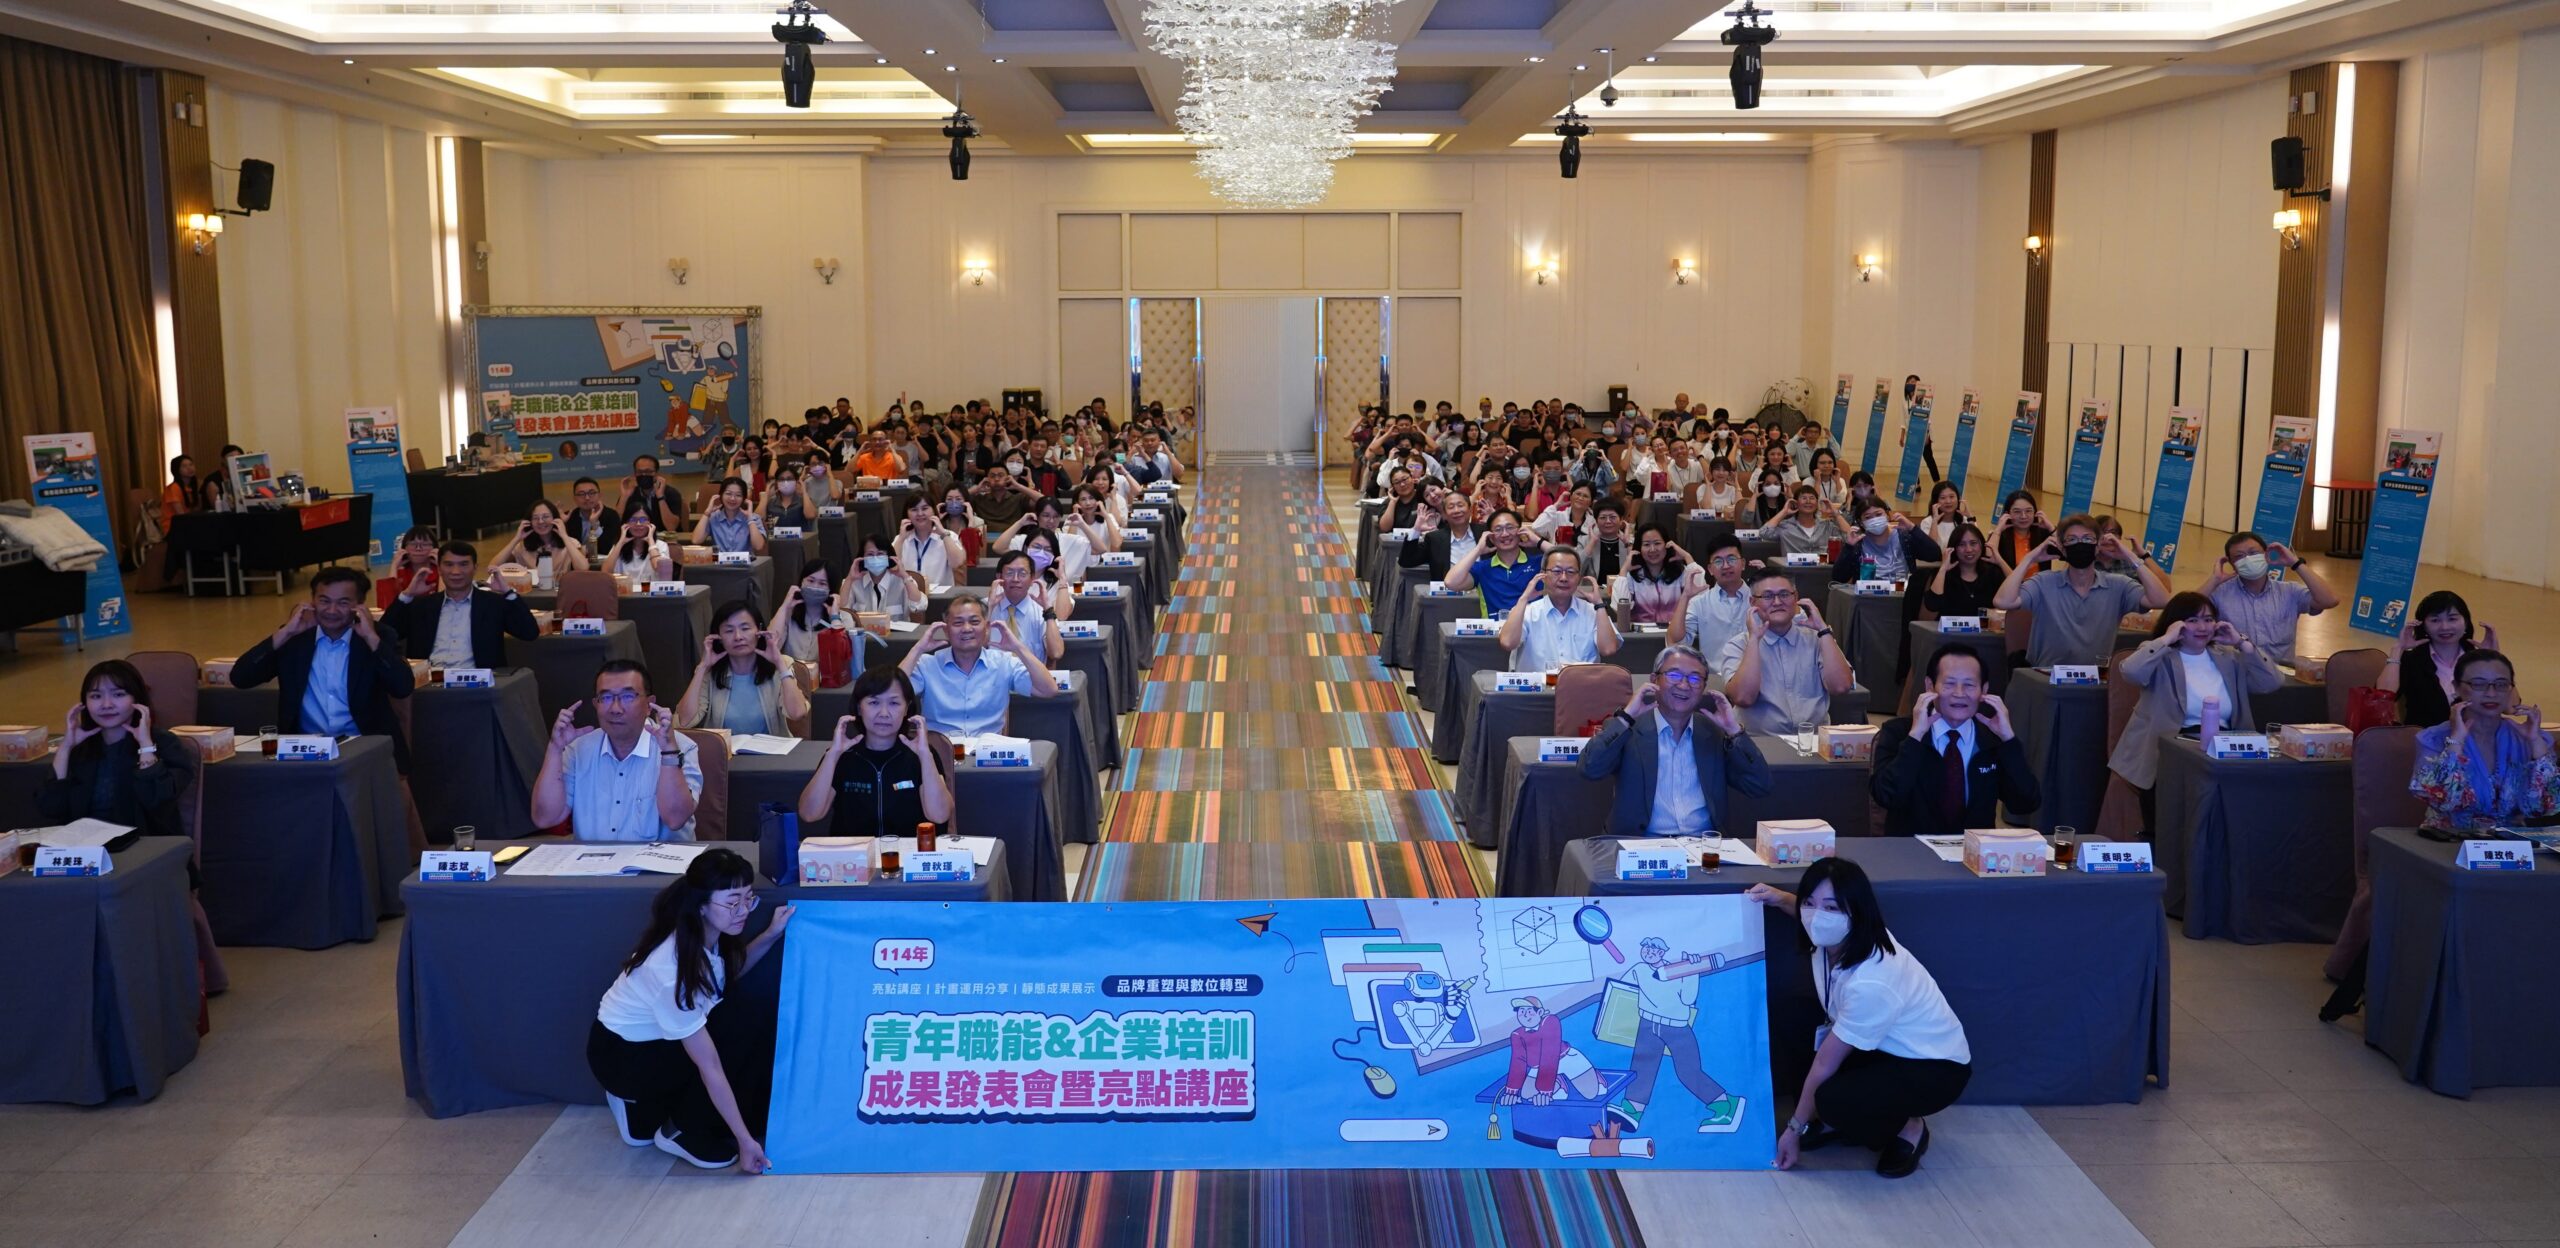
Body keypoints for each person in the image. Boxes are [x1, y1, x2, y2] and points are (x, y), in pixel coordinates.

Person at [1748, 858, 1972, 1178]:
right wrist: (1780, 897)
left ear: (1856, 912)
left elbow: (1825, 1063)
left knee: (1832, 1099)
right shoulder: (1839, 935)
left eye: (1831, 907)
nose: (1817, 916)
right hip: (1882, 1046)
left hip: (1932, 1066)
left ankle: (1908, 1128)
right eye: (1810, 903)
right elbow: (1811, 915)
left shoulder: (1873, 980)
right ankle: (1829, 1119)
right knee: (1793, 1017)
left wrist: (1793, 1130)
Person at [589, 847, 789, 1172]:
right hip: (624, 1058)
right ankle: (682, 1130)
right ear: (701, 905)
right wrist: (744, 1140)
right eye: (732, 902)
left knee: (744, 1014)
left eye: (748, 899)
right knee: (735, 1035)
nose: (743, 911)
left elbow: (725, 976)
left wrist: (770, 935)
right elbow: (710, 1066)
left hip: (647, 1043)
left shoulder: (705, 933)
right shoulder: (672, 972)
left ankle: (644, 1112)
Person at [2109, 593, 2284, 828]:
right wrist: (2166, 639)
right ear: (2176, 624)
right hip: (2170, 750)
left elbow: (2271, 682)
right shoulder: (2160, 655)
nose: (2202, 627)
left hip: (2224, 749)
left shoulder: (2228, 657)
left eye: (2208, 619)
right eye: (2192, 620)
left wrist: (2242, 643)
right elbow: (2131, 673)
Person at [233, 566, 417, 769]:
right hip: (304, 752)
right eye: (324, 601)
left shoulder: (378, 636)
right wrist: (285, 633)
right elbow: (241, 678)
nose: (331, 611)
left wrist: (371, 639)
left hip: (365, 750)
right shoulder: (295, 637)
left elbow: (403, 687)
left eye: (343, 603)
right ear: (312, 601)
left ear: (359, 605)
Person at [1579, 646, 1770, 837]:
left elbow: (1760, 785)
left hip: (1702, 843)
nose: (1684, 685)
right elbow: (1589, 769)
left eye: (1695, 679)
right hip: (1641, 845)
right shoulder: (1629, 728)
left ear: (1703, 687)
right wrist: (1625, 718)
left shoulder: (1713, 732)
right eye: (1674, 675)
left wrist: (1734, 731)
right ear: (1654, 680)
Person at [1869, 648, 2038, 837]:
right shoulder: (1899, 732)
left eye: (1969, 685)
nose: (1959, 693)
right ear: (1930, 686)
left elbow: (2025, 803)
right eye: (1949, 683)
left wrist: (2008, 739)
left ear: (1984, 690)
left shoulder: (1993, 739)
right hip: (1912, 850)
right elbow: (1885, 796)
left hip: (1973, 851)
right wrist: (1915, 737)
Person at [532, 660, 704, 841]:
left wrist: (669, 753)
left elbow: (675, 819)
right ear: (595, 704)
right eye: (606, 698)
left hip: (660, 859)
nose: (615, 708)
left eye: (627, 696)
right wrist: (555, 748)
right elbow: (545, 818)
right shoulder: (577, 749)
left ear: (649, 705)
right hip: (592, 858)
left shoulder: (681, 747)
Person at [1606, 936, 1750, 1134]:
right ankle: (1632, 1110)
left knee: (1688, 1072)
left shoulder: (1678, 970)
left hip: (1675, 1027)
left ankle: (1725, 1104)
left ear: (1662, 953)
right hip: (1647, 1024)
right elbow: (1621, 988)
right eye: (1646, 948)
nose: (1649, 953)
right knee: (1642, 1067)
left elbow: (1689, 999)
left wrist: (1692, 972)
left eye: (1654, 950)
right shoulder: (1639, 969)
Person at [2409, 650, 2560, 833]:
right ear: (2456, 687)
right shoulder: (2433, 739)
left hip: (2511, 844)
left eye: (2501, 684)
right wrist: (2456, 741)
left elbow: (2547, 806)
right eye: (2478, 684)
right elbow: (2444, 801)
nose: (2491, 693)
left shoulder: (2529, 738)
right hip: (2449, 841)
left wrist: (2535, 742)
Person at [1990, 513, 2169, 667]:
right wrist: (2029, 559)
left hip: (2095, 680)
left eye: (2088, 539)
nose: (2080, 544)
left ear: (2097, 546)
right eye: (2072, 540)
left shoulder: (2118, 585)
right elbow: (2003, 601)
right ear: (2062, 548)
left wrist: (2131, 557)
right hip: (2046, 678)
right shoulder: (2044, 582)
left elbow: (2161, 600)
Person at [42, 659, 193, 840]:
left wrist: (145, 746)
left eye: (118, 694)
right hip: (85, 848)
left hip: (145, 848)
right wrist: (65, 748)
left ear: (137, 699)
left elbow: (157, 799)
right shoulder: (80, 747)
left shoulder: (164, 743)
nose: (106, 705)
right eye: (96, 696)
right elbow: (51, 808)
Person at [798, 666, 954, 839]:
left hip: (908, 852)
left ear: (907, 709)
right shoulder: (842, 756)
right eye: (874, 703)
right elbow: (809, 814)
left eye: (894, 703)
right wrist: (833, 755)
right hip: (853, 854)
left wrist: (925, 755)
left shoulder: (922, 755)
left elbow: (940, 815)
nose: (884, 713)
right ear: (859, 707)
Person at [1718, 568, 1855, 736]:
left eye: (1784, 594)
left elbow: (1841, 687)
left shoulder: (1817, 638)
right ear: (1752, 602)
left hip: (1813, 741)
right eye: (1767, 596)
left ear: (1796, 597)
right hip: (1759, 742)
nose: (1777, 602)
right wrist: (1754, 640)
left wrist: (1823, 629)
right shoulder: (1739, 645)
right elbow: (1743, 698)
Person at [897, 597, 1059, 737]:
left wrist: (1018, 648)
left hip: (987, 753)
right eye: (958, 623)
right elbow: (891, 692)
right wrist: (917, 649)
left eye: (974, 622)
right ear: (946, 630)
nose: (967, 629)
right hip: (939, 752)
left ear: (987, 628)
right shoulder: (927, 665)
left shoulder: (1003, 663)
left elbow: (1048, 690)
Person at [383, 542, 539, 670]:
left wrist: (508, 593)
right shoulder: (421, 605)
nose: (456, 571)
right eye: (448, 565)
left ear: (475, 568)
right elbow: (384, 636)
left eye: (464, 564)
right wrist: (407, 594)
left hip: (477, 685)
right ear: (439, 569)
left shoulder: (493, 604)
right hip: (428, 685)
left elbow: (529, 633)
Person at [2198, 531, 2339, 666]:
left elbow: (2329, 600)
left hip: (2281, 673)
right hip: (2236, 671)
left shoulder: (2289, 591)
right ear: (2231, 564)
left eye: (2254, 553)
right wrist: (2214, 580)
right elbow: (2187, 611)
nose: (2248, 559)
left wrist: (2295, 563)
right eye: (2239, 556)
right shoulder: (2220, 593)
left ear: (2266, 554)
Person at [676, 598, 809, 736]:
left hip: (771, 749)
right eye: (729, 631)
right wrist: (703, 667)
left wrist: (780, 664)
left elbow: (797, 713)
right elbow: (685, 721)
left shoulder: (780, 666)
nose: (738, 637)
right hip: (726, 749)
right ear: (718, 637)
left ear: (759, 631)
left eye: (745, 629)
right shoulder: (710, 672)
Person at [2382, 591, 2495, 729]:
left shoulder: (2478, 659)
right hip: (2424, 739)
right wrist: (2398, 649)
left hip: (2475, 738)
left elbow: (2510, 706)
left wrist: (2493, 658)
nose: (2444, 627)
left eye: (2452, 619)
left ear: (2466, 622)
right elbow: (2382, 698)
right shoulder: (2412, 660)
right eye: (2435, 620)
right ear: (2423, 625)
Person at [1498, 548, 1620, 672]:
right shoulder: (1527, 612)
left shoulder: (1593, 612)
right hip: (1537, 684)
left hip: (1581, 683)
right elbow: (1507, 643)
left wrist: (1599, 604)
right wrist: (1524, 599)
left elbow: (1608, 649)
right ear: (1543, 576)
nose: (1563, 578)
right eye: (1556, 571)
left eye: (1571, 572)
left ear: (1579, 578)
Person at [1497, 995, 1610, 1109]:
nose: (1525, 1015)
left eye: (1529, 1011)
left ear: (1540, 1012)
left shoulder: (1550, 1021)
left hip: (1567, 1059)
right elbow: (1518, 1062)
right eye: (1521, 1011)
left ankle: (1596, 1078)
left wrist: (1545, 1091)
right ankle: (1558, 1082)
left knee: (1591, 1093)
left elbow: (1549, 1056)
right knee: (1526, 1095)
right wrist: (1511, 1092)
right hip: (1539, 1067)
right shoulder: (1517, 1035)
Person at [1673, 534, 1754, 662]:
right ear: (1710, 569)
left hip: (1754, 673)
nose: (1726, 566)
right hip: (1714, 674)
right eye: (1718, 561)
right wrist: (1685, 597)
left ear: (1743, 564)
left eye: (1731, 559)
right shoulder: (1699, 603)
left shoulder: (1759, 599)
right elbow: (1677, 642)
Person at [1444, 509, 1539, 615]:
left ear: (1520, 531)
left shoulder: (1539, 562)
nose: (1505, 534)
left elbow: (1556, 558)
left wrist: (1538, 542)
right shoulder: (1481, 568)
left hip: (1533, 624)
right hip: (1495, 625)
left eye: (1510, 527)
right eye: (1498, 529)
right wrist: (1478, 549)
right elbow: (1450, 582)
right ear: (1491, 537)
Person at [770, 561, 861, 667]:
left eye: (822, 583)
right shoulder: (789, 613)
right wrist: (784, 607)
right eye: (811, 580)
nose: (814, 586)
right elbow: (770, 647)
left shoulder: (844, 618)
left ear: (831, 589)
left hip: (826, 676)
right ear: (801, 582)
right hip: (789, 675)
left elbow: (842, 659)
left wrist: (834, 618)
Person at [986, 548, 1068, 664]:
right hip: (993, 674)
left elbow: (1056, 653)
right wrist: (989, 609)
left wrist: (1048, 610)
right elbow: (973, 650)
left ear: (1032, 578)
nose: (1015, 579)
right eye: (1009, 573)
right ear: (999, 577)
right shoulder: (984, 608)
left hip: (1031, 674)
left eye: (1022, 574)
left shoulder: (1042, 611)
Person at [1830, 501, 1941, 584]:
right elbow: (1839, 578)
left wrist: (1912, 528)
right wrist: (1849, 547)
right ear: (1861, 522)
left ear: (1887, 515)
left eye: (1878, 514)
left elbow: (1934, 555)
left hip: (1902, 598)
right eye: (1868, 517)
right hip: (1868, 600)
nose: (1874, 520)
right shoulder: (1858, 543)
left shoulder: (1904, 537)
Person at [1612, 525, 1700, 628]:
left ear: (1667, 545)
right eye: (1646, 544)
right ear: (1639, 548)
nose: (1652, 549)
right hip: (1640, 633)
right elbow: (1619, 610)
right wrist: (1623, 571)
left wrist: (1687, 557)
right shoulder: (1632, 576)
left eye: (1657, 543)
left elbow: (1700, 598)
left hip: (1675, 632)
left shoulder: (1680, 572)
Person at [492, 500, 590, 591]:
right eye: (535, 518)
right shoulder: (522, 547)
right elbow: (493, 567)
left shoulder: (570, 543)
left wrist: (564, 536)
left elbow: (583, 569)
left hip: (560, 593)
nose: (541, 521)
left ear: (555, 519)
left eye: (545, 516)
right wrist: (516, 539)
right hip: (531, 595)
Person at [1919, 522, 2005, 620]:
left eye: (1973, 543)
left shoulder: (1993, 573)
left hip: (1985, 630)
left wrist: (2000, 562)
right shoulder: (1943, 575)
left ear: (1982, 544)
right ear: (1953, 548)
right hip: (1948, 629)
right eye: (1961, 544)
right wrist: (1943, 569)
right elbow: (1932, 606)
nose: (1968, 549)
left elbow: (2017, 595)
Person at [844, 534, 928, 622]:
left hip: (896, 631)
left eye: (880, 554)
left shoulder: (902, 581)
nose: (875, 558)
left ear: (889, 557)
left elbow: (920, 606)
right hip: (864, 630)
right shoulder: (855, 581)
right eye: (870, 554)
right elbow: (843, 611)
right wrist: (849, 578)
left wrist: (905, 576)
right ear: (862, 558)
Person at [1398, 496, 1480, 581]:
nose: (1456, 510)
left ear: (1470, 509)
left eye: (1460, 505)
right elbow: (1406, 561)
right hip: (1448, 588)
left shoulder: (1484, 533)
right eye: (1451, 507)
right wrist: (1416, 529)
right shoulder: (1435, 539)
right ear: (1445, 514)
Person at [897, 496, 969, 589]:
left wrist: (944, 535)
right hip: (910, 594)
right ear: (907, 514)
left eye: (924, 508)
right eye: (914, 510)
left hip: (941, 595)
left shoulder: (948, 535)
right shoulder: (901, 538)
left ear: (933, 511)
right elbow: (892, 567)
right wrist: (901, 539)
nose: (920, 513)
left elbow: (957, 563)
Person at [692, 477, 767, 557]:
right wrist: (707, 513)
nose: (732, 498)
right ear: (721, 495)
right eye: (728, 494)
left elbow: (758, 546)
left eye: (738, 495)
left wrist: (750, 519)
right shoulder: (713, 517)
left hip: (745, 563)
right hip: (719, 563)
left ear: (744, 499)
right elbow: (696, 540)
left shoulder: (753, 518)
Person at [376, 525, 442, 610]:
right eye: (413, 544)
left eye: (425, 544)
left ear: (435, 548)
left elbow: (445, 603)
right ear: (404, 548)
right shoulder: (399, 574)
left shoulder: (440, 573)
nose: (418, 549)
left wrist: (441, 567)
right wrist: (394, 566)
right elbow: (387, 607)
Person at [1771, 485, 1844, 559]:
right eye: (1804, 498)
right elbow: (1765, 532)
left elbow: (1848, 538)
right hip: (1794, 566)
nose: (1808, 501)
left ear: (1817, 503)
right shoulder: (1786, 526)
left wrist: (1836, 514)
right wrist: (1784, 512)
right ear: (1795, 503)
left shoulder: (1826, 526)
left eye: (1812, 498)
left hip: (1821, 565)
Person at [620, 454, 686, 532]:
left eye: (648, 471)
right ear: (635, 474)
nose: (644, 475)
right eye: (640, 472)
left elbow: (671, 527)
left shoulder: (671, 493)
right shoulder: (631, 494)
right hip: (640, 537)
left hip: (666, 538)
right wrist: (624, 497)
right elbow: (615, 523)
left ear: (657, 473)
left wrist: (660, 497)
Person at [1990, 491, 2051, 571]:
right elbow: (1988, 557)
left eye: (2028, 511)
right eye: (2017, 511)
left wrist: (2051, 527)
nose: (2023, 516)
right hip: (2010, 579)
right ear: (2007, 514)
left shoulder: (2043, 534)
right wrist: (1997, 530)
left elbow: (2064, 552)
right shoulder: (2000, 537)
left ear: (2035, 512)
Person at [1575, 499, 1634, 582]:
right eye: (1603, 517)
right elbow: (1576, 571)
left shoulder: (1630, 542)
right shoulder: (1584, 540)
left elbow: (1638, 573)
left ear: (1621, 520)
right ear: (1596, 521)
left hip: (1622, 589)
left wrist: (1628, 544)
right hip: (1592, 589)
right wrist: (1592, 543)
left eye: (1613, 517)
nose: (1608, 521)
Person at [564, 477, 621, 551]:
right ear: (574, 498)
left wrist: (595, 526)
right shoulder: (568, 517)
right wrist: (561, 524)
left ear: (600, 495)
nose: (587, 498)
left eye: (591, 493)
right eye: (581, 494)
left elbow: (609, 548)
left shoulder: (612, 516)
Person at [759, 464, 812, 532]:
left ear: (796, 481)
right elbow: (758, 518)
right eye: (781, 479)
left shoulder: (803, 500)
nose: (785, 482)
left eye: (789, 479)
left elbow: (811, 515)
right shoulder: (770, 502)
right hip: (776, 538)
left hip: (801, 538)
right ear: (776, 483)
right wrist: (766, 494)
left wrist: (804, 491)